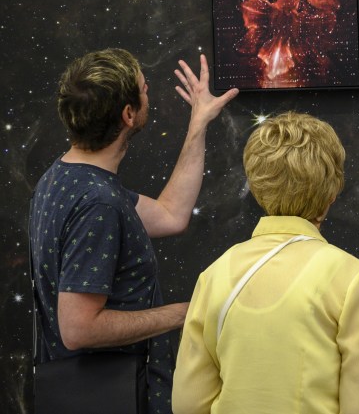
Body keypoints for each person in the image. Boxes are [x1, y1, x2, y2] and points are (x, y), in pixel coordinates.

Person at [29, 48, 238, 414]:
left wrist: (199, 122)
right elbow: (78, 329)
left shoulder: (64, 177)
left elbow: (171, 214)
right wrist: (187, 312)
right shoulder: (98, 204)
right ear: (128, 114)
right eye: (144, 89)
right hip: (114, 398)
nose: (148, 92)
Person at [172, 111, 359, 414]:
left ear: (256, 188)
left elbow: (187, 404)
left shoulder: (214, 274)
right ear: (332, 193)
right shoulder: (353, 277)